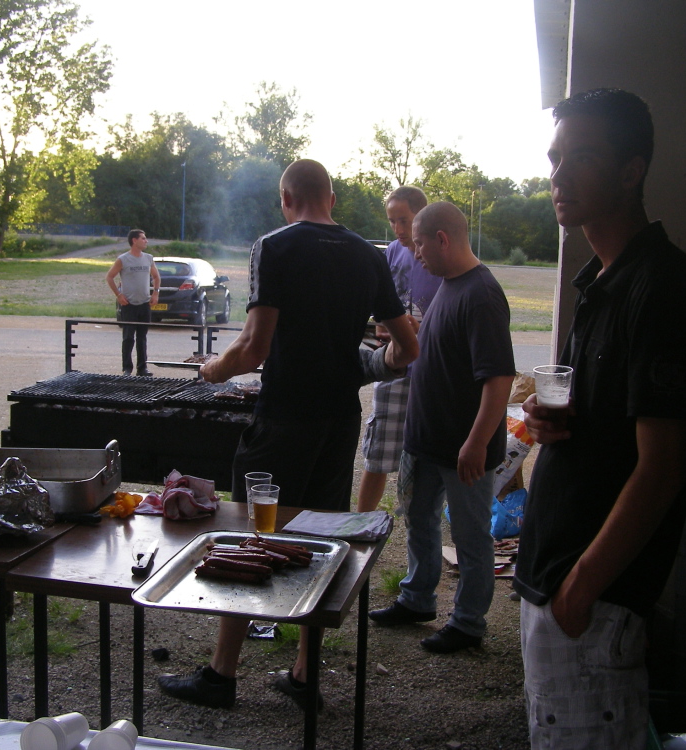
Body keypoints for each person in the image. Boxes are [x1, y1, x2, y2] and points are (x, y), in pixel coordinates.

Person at [157, 158, 419, 711]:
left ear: (286, 198)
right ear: (331, 197)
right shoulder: (366, 254)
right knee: (322, 541)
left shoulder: (274, 246)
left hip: (283, 421)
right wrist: (369, 363)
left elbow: (254, 346)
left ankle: (221, 675)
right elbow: (407, 348)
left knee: (248, 533)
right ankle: (304, 676)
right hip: (338, 421)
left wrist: (213, 370)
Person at [513, 88, 686, 749]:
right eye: (555, 158)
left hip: (592, 603)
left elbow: (662, 470)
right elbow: (602, 426)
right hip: (556, 586)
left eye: (583, 157)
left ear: (633, 170)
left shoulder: (664, 289)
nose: (559, 176)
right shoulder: (604, 280)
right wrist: (549, 422)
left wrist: (580, 590)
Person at [368, 202, 515, 653]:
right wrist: (411, 329)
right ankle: (417, 598)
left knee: (471, 538)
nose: (414, 254)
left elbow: (499, 379)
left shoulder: (482, 293)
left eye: (418, 243)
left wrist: (476, 441)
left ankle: (469, 624)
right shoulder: (450, 287)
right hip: (425, 440)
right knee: (419, 521)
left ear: (442, 239)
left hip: (462, 448)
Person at [357, 186, 442, 513]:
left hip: (428, 367)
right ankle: (359, 524)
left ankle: (417, 522)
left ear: (422, 215)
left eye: (404, 220)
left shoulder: (437, 251)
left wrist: (424, 330)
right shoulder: (391, 252)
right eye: (392, 221)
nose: (398, 230)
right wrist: (380, 324)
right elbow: (380, 303)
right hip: (392, 363)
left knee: (422, 455)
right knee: (377, 452)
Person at [105, 229, 160, 376]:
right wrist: (118, 295)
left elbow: (156, 276)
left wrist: (155, 293)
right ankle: (127, 368)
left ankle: (142, 368)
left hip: (144, 304)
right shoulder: (123, 259)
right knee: (128, 337)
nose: (146, 241)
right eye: (143, 238)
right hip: (128, 304)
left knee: (142, 338)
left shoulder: (148, 258)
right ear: (134, 241)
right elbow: (109, 277)